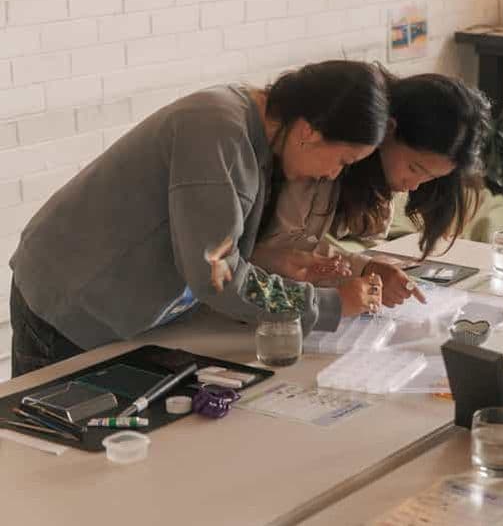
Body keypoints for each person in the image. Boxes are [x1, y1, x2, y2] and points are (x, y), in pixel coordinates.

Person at [9, 60, 390, 377]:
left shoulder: (252, 132)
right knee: (57, 449)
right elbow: (216, 275)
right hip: (70, 300)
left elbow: (210, 242)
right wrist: (327, 305)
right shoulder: (218, 131)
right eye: (343, 161)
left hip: (123, 305)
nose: (334, 176)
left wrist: (272, 262)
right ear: (309, 131)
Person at [253, 72, 491, 307]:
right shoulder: (321, 158)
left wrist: (363, 268)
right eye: (413, 167)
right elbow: (274, 259)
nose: (414, 184)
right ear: (388, 130)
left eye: (430, 178)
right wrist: (344, 288)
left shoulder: (369, 175)